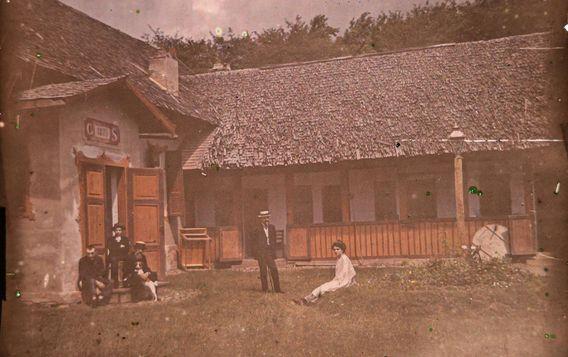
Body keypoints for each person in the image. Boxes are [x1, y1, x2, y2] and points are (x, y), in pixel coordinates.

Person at [293, 240, 356, 305]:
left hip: (343, 281)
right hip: (338, 280)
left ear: (342, 250)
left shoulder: (344, 259)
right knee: (322, 287)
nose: (335, 251)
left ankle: (305, 301)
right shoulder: (339, 258)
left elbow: (347, 272)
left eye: (338, 249)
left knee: (324, 288)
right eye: (334, 249)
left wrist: (341, 282)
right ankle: (305, 300)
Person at [253, 210, 282, 293]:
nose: (266, 220)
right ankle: (265, 289)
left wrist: (273, 253)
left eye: (267, 218)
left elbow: (274, 240)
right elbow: (254, 242)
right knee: (263, 271)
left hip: (269, 252)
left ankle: (277, 289)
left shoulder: (272, 227)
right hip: (261, 252)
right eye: (264, 218)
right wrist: (257, 254)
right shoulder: (256, 229)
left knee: (274, 269)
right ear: (261, 219)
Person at [107, 223, 131, 288]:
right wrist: (120, 247)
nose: (118, 232)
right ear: (114, 231)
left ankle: (125, 279)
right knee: (114, 261)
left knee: (128, 259)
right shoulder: (111, 239)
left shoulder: (125, 239)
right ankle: (115, 281)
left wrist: (119, 247)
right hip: (113, 255)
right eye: (116, 230)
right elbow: (111, 248)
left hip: (123, 255)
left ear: (122, 231)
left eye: (120, 230)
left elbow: (127, 249)